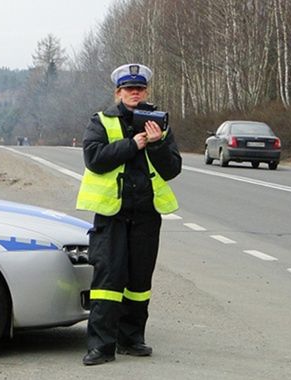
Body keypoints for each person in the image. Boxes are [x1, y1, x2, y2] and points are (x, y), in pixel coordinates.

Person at [76, 63, 182, 366]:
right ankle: (100, 346)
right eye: (128, 89)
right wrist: (131, 144)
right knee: (108, 281)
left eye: (139, 89)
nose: (134, 93)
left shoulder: (159, 124)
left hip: (147, 215)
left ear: (146, 92)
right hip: (112, 216)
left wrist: (158, 143)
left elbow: (172, 168)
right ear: (118, 93)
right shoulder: (101, 121)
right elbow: (93, 158)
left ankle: (132, 339)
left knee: (139, 282)